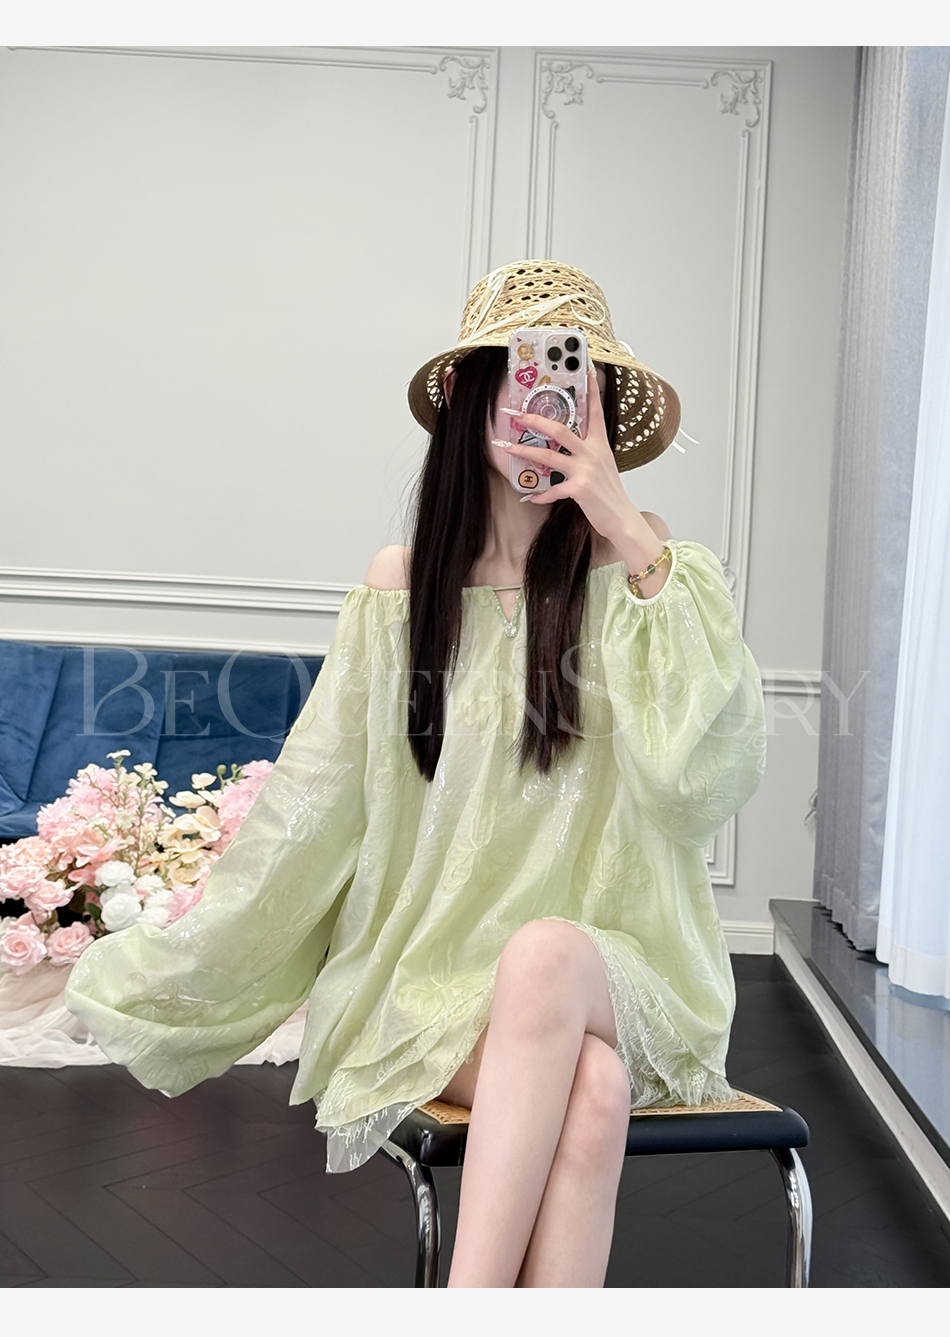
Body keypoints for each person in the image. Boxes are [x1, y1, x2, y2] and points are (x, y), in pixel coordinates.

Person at [65, 260, 766, 1288]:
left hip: (623, 972)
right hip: (437, 980)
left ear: (599, 410)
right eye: (516, 380)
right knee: (592, 1090)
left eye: (564, 387)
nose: (538, 410)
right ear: (468, 397)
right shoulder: (402, 588)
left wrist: (621, 522)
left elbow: (695, 779)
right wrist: (182, 967)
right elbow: (315, 809)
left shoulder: (646, 567)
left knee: (546, 957)